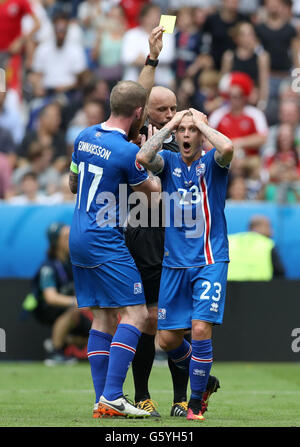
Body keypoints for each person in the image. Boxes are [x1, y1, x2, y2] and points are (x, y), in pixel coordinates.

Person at [68, 78, 161, 418]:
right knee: (136, 313)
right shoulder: (127, 152)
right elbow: (154, 198)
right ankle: (113, 395)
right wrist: (148, 155)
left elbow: (73, 183)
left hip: (78, 234)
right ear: (139, 113)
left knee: (104, 317)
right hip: (104, 238)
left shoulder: (83, 136)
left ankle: (101, 401)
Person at [126, 85, 220, 418]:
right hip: (141, 234)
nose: (170, 115)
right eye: (162, 110)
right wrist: (152, 57)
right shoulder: (137, 133)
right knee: (147, 321)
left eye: (174, 109)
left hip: (176, 240)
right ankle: (141, 395)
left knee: (173, 327)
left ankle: (184, 397)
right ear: (144, 110)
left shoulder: (187, 137)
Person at [22, 222, 91, 365]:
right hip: (45, 308)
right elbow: (50, 297)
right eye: (66, 237)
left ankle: (60, 340)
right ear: (56, 242)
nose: (71, 239)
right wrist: (76, 302)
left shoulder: (73, 263)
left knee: (94, 333)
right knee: (71, 309)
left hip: (70, 308)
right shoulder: (49, 267)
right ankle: (55, 351)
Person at [227, 215, 285, 280]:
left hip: (226, 287)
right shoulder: (268, 244)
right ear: (258, 227)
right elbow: (280, 273)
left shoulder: (228, 241)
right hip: (260, 288)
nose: (272, 232)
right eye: (269, 227)